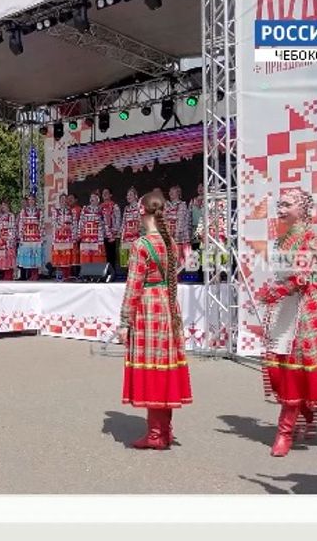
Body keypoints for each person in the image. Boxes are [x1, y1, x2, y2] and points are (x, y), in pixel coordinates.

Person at [256, 188, 317, 457]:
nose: (281, 208)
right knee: (275, 371)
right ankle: (306, 413)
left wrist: (275, 292)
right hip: (284, 308)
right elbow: (282, 276)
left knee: (294, 372)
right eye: (279, 204)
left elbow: (303, 276)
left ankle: (285, 432)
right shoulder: (279, 241)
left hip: (306, 308)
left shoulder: (313, 237)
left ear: (302, 208)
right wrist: (272, 290)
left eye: (287, 204)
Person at [117, 191, 192, 449]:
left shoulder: (141, 245)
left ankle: (156, 434)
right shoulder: (170, 242)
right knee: (164, 367)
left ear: (141, 212)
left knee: (151, 367)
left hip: (148, 307)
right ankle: (164, 429)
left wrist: (124, 321)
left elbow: (133, 286)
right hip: (168, 305)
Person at [16, 195, 43, 281]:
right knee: (29, 256)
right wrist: (20, 236)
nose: (31, 201)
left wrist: (42, 236)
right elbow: (21, 224)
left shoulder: (39, 211)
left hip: (36, 236)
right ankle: (30, 274)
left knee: (36, 255)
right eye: (29, 200)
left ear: (35, 201)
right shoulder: (23, 211)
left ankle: (35, 274)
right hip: (26, 236)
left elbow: (41, 224)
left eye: (32, 200)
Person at [51, 195, 77, 278]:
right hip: (59, 236)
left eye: (65, 200)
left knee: (68, 255)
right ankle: (60, 275)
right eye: (61, 199)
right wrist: (58, 230)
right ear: (59, 201)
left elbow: (75, 224)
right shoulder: (56, 211)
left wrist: (73, 235)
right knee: (60, 255)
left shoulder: (72, 211)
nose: (63, 201)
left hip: (68, 236)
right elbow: (53, 223)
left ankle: (67, 275)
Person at [164, 185, 191, 264]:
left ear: (178, 193)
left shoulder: (182, 205)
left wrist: (174, 234)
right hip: (169, 237)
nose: (170, 193)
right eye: (170, 191)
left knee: (180, 262)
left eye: (173, 191)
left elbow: (180, 221)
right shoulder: (167, 205)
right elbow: (164, 220)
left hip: (180, 238)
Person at [78, 192, 106, 266]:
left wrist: (108, 234)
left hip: (97, 237)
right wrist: (79, 234)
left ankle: (97, 274)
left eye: (94, 197)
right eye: (91, 197)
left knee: (97, 256)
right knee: (86, 255)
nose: (91, 199)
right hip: (86, 237)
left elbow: (105, 223)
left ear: (98, 199)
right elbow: (81, 222)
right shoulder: (85, 209)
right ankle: (86, 274)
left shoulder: (101, 210)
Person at [0, 200, 17, 281]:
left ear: (8, 206)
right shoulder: (0, 216)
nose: (3, 207)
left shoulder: (11, 216)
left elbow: (12, 228)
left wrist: (9, 238)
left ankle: (9, 274)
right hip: (1, 238)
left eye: (5, 205)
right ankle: (4, 273)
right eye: (2, 206)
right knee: (2, 256)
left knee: (9, 256)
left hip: (8, 238)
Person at [100, 188, 122, 273]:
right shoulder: (100, 207)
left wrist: (115, 230)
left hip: (111, 234)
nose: (104, 194)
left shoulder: (114, 206)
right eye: (103, 193)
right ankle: (103, 272)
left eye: (106, 193)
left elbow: (118, 218)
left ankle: (112, 272)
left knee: (111, 254)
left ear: (110, 195)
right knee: (103, 254)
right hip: (102, 234)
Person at [120, 187, 142, 271]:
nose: (128, 196)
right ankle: (129, 274)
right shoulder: (126, 208)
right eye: (127, 195)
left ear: (136, 196)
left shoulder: (140, 207)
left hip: (136, 235)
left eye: (130, 195)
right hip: (127, 235)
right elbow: (124, 223)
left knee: (136, 255)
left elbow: (142, 222)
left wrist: (138, 231)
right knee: (127, 255)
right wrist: (122, 234)